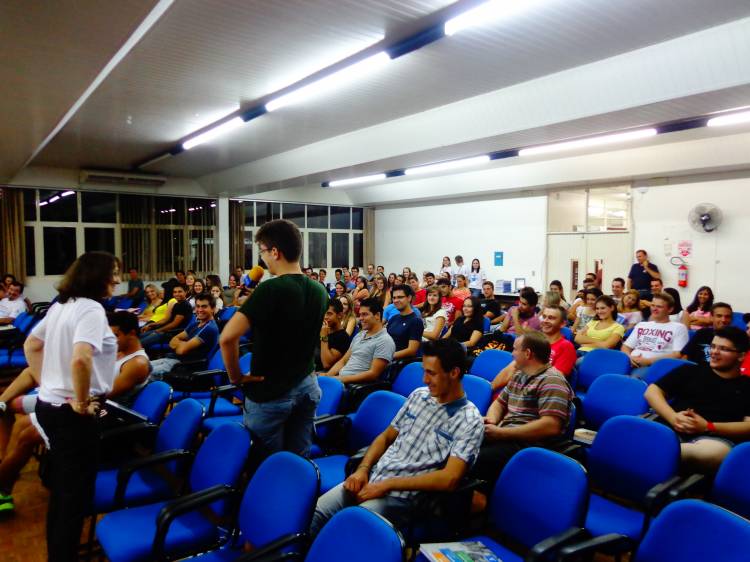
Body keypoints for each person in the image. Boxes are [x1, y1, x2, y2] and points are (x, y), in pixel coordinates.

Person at [310, 338, 484, 536]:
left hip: (403, 498)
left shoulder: (469, 420)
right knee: (316, 513)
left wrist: (387, 485)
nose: (425, 380)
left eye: (432, 373)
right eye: (424, 371)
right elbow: (385, 437)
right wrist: (363, 470)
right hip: (373, 477)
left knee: (350, 530)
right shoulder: (419, 396)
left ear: (454, 373)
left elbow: (450, 478)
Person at [0, 311, 149, 516]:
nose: (110, 340)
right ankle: (6, 475)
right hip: (83, 404)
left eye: (115, 335)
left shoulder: (137, 364)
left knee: (27, 433)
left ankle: (4, 485)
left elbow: (102, 394)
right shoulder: (117, 352)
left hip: (103, 416)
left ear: (132, 333)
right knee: (22, 421)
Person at [22, 251, 120, 561]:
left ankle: (58, 554)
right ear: (97, 276)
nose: (118, 280)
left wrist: (47, 383)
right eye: (113, 273)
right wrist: (79, 399)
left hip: (50, 405)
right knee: (74, 498)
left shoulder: (61, 306)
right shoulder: (91, 308)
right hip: (72, 414)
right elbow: (81, 358)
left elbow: (31, 345)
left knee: (63, 492)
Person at [220, 219, 328, 458]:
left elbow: (227, 338)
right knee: (297, 459)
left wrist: (236, 377)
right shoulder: (319, 290)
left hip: (271, 390)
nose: (263, 259)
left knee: (265, 462)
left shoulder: (269, 289)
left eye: (262, 252)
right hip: (308, 385)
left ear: (275, 252)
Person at [470, 331, 573, 506]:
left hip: (528, 445)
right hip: (507, 435)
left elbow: (551, 426)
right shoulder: (520, 374)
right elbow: (500, 403)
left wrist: (502, 433)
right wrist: (492, 420)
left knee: (471, 457)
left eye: (515, 349)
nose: (512, 354)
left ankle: (481, 501)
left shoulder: (553, 381)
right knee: (459, 443)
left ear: (528, 353)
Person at [645, 327, 750, 473]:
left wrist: (708, 426)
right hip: (670, 427)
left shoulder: (747, 386)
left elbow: (748, 426)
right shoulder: (691, 370)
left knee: (713, 453)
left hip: (712, 439)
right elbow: (652, 392)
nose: (714, 352)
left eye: (723, 349)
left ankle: (653, 452)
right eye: (713, 346)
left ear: (741, 356)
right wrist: (673, 417)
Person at [491, 306, 577, 390]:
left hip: (537, 391)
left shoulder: (566, 347)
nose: (545, 321)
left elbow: (554, 380)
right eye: (544, 317)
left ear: (562, 324)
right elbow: (512, 368)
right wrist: (489, 391)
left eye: (551, 318)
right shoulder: (534, 341)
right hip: (516, 387)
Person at [320, 298, 395, 385]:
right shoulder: (360, 335)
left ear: (377, 315)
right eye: (360, 315)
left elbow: (373, 374)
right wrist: (328, 376)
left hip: (354, 386)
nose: (360, 318)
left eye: (365, 314)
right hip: (341, 380)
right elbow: (343, 361)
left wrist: (339, 379)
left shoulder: (385, 341)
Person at [149, 294, 219, 378]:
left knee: (141, 374)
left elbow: (181, 350)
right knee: (141, 367)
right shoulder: (196, 324)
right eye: (198, 306)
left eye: (204, 306)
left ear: (213, 308)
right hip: (172, 359)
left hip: (182, 365)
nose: (200, 310)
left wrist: (180, 345)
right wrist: (182, 344)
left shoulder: (209, 328)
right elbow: (173, 340)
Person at [622, 291, 690, 378]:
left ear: (670, 309)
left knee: (630, 380)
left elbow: (678, 354)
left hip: (655, 367)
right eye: (653, 305)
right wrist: (630, 357)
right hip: (630, 362)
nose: (654, 309)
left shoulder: (679, 328)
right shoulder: (642, 325)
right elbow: (626, 347)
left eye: (659, 306)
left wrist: (648, 361)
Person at [140, 284, 192, 348]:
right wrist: (151, 325)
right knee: (139, 337)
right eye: (175, 292)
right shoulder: (177, 304)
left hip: (173, 334)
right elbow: (166, 319)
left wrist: (158, 330)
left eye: (179, 291)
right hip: (166, 331)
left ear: (185, 292)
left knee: (140, 343)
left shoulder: (184, 305)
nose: (177, 294)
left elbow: (174, 324)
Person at [387, 285, 423, 360]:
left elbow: (411, 350)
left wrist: (386, 356)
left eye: (400, 297)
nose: (396, 300)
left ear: (409, 298)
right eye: (394, 298)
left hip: (401, 362)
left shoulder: (415, 321)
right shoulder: (393, 318)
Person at [318, 299, 351, 371]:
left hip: (322, 373)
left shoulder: (343, 337)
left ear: (340, 315)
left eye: (329, 314)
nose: (325, 317)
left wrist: (324, 337)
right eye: (324, 313)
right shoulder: (320, 330)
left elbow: (326, 364)